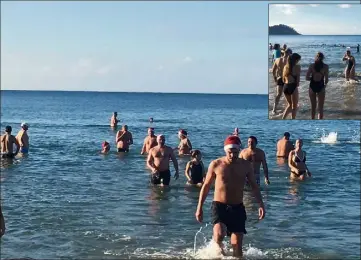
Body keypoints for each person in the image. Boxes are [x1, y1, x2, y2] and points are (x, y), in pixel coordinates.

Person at [195, 136, 265, 258]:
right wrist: (199, 207)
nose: (232, 155)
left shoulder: (246, 165)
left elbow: (254, 186)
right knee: (219, 234)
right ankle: (218, 253)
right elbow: (206, 186)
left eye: (235, 153)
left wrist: (261, 204)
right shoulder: (216, 164)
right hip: (219, 206)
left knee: (237, 244)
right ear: (225, 151)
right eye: (230, 152)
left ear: (239, 151)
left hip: (237, 207)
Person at [306, 52, 329, 120]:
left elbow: (307, 78)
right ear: (323, 58)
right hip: (321, 86)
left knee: (313, 107)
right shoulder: (325, 66)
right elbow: (326, 80)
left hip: (312, 86)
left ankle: (312, 120)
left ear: (316, 57)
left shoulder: (311, 66)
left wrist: (312, 79)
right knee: (320, 108)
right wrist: (324, 86)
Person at [272, 48, 292, 114]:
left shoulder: (277, 60)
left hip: (279, 79)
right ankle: (288, 109)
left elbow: (273, 70)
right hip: (287, 79)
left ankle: (274, 109)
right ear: (289, 53)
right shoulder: (289, 60)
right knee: (289, 94)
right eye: (291, 54)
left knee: (278, 94)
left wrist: (275, 78)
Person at [282, 53, 302, 119]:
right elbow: (298, 81)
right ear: (295, 60)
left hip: (285, 87)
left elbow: (283, 79)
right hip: (293, 87)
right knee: (294, 106)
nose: (298, 61)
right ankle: (293, 120)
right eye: (298, 60)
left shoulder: (285, 67)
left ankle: (283, 118)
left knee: (289, 105)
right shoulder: (297, 67)